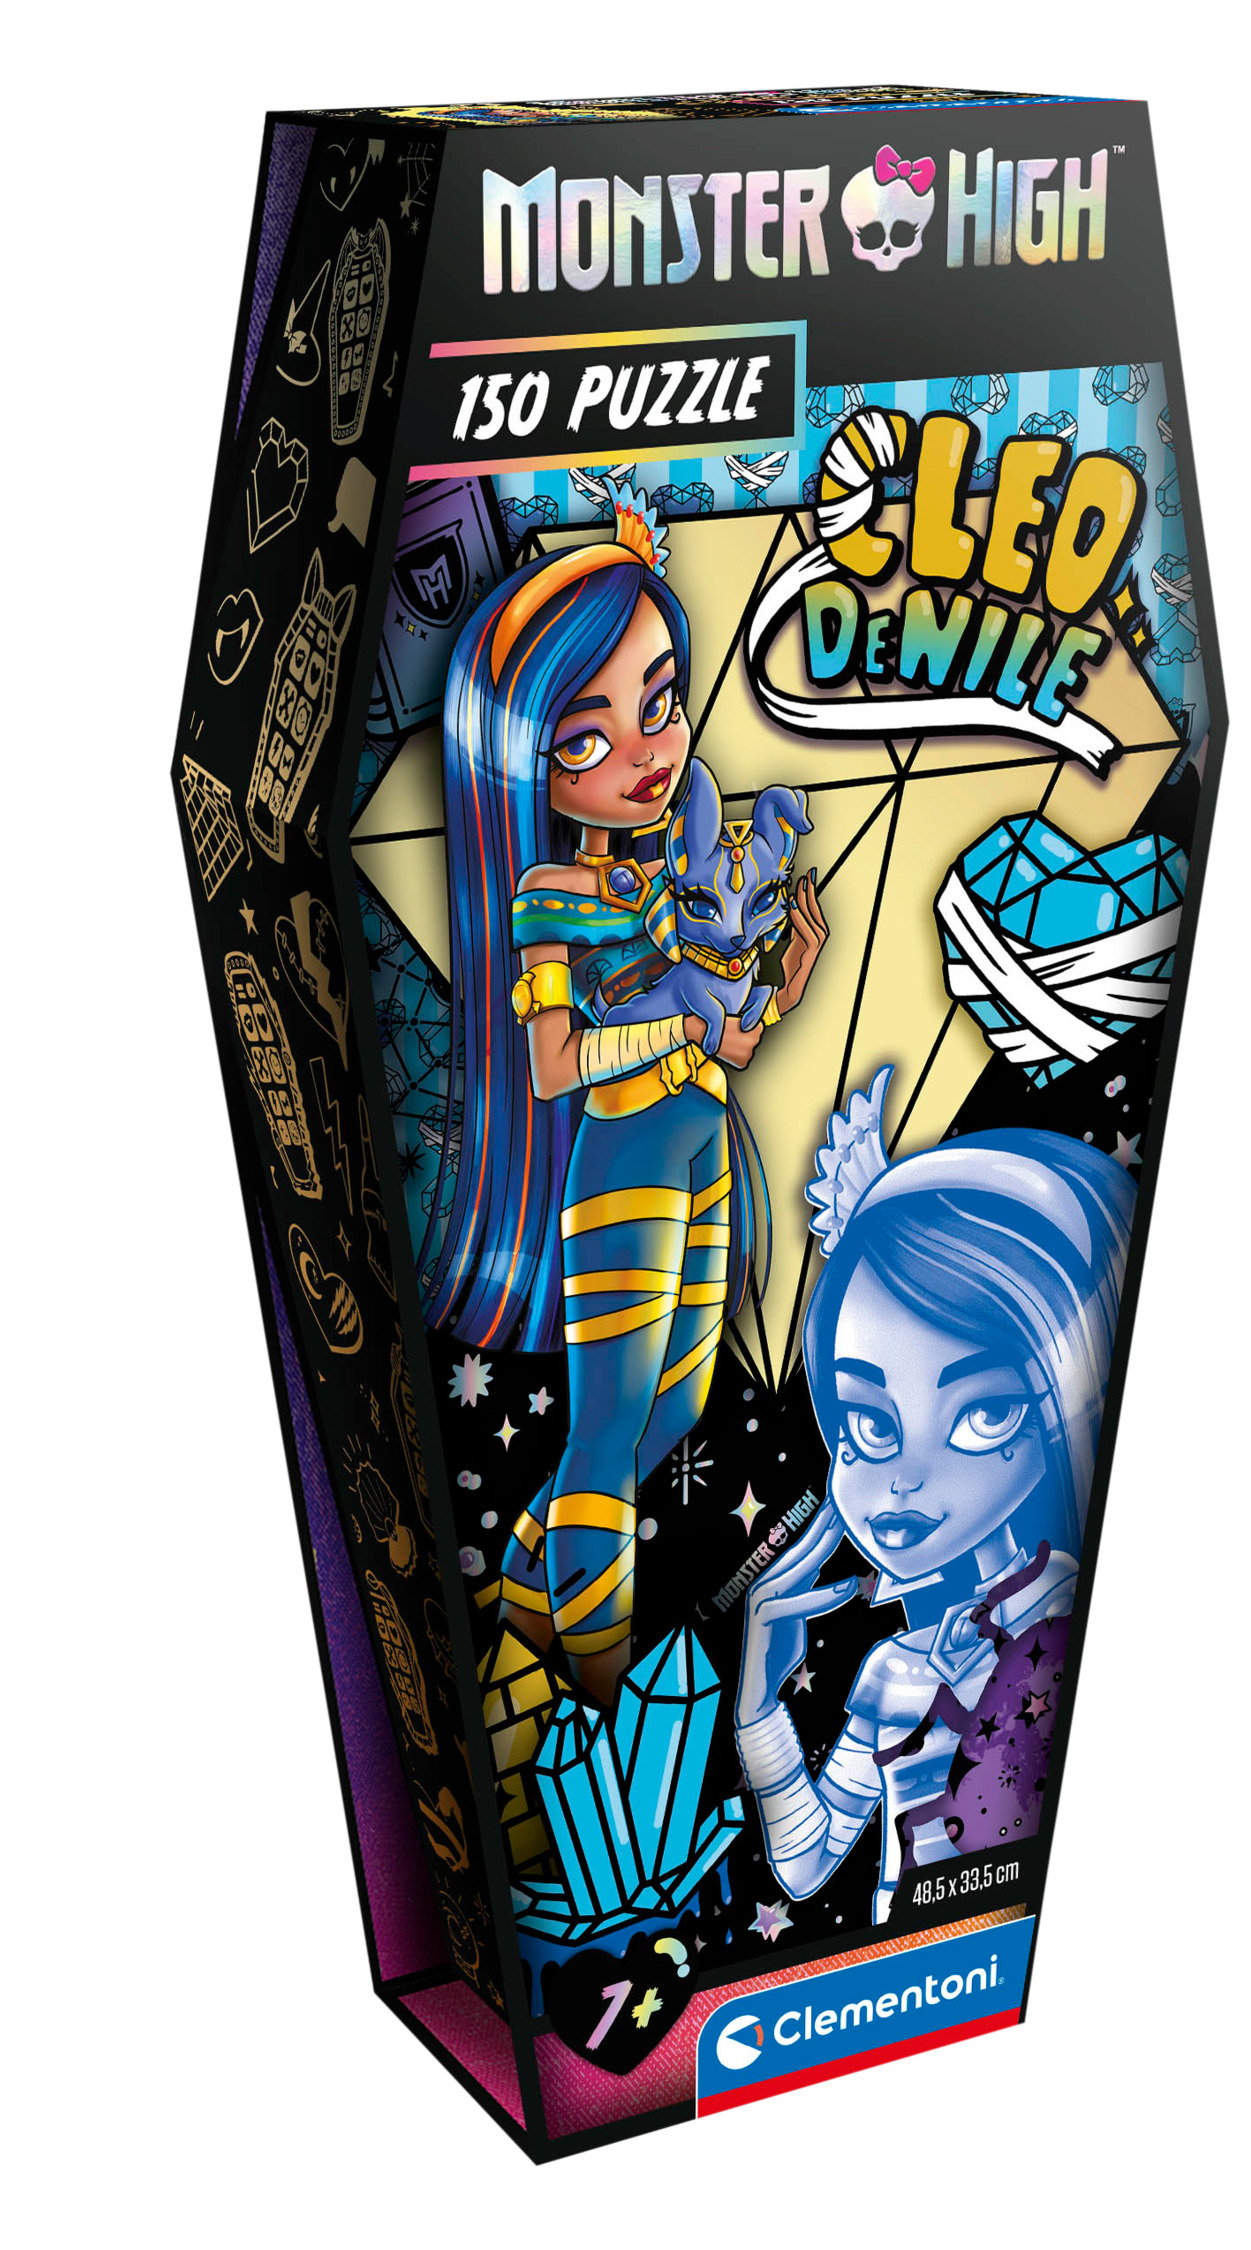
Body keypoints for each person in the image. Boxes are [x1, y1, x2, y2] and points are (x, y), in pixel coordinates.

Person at [423, 481, 828, 1704]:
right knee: (605, 1434)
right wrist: (669, 1031)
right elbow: (554, 1063)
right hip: (623, 1159)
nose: (649, 751)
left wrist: (780, 988)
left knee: (669, 1415)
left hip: (700, 1141)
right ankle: (596, 1695)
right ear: (526, 757)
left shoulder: (670, 859)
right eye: (587, 738)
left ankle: (522, 1622)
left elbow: (727, 1041)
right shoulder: (549, 892)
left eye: (660, 704)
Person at [735, 1067, 1135, 1920]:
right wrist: (759, 1706)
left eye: (983, 1414)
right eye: (871, 1424)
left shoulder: (1077, 1620)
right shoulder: (898, 1666)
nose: (906, 1477)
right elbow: (804, 1865)